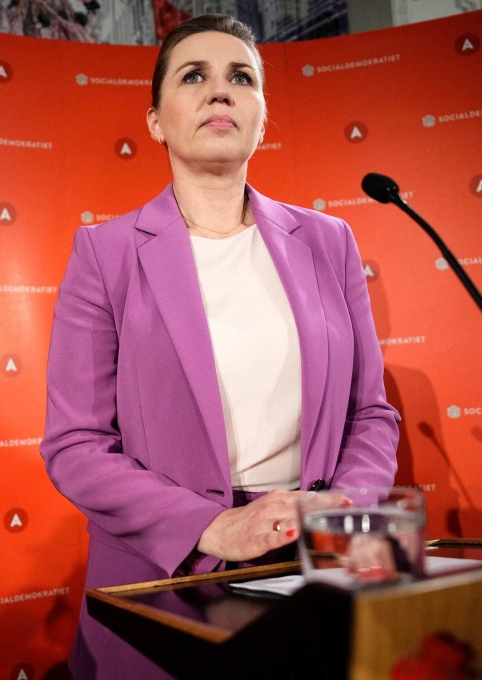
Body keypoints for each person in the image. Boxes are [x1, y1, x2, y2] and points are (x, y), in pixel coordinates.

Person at [40, 14, 400, 679]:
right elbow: (76, 447)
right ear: (156, 120)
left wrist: (341, 509)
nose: (220, 91)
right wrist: (211, 527)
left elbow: (369, 415)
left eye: (240, 77)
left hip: (314, 567)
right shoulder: (106, 254)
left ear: (262, 118)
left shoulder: (329, 241)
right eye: (193, 76)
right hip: (166, 582)